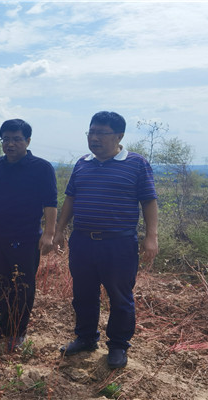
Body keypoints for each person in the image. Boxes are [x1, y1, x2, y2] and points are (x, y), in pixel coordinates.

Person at [54, 111, 159, 369]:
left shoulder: (136, 163)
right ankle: (86, 338)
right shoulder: (82, 163)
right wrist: (59, 230)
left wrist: (151, 237)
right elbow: (71, 198)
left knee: (120, 296)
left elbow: (148, 201)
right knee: (83, 293)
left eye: (101, 133)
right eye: (91, 132)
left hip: (118, 244)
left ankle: (118, 346)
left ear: (119, 136)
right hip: (82, 241)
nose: (94, 138)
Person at [0, 118, 58, 351]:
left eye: (16, 139)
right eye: (6, 139)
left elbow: (51, 203)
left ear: (27, 141)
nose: (10, 144)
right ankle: (4, 326)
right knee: (0, 284)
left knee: (22, 285)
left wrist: (49, 234)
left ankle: (19, 331)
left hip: (26, 237)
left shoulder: (41, 168)